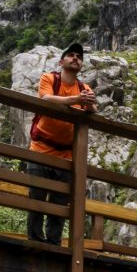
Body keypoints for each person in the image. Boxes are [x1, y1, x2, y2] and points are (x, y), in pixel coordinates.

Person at [24, 41, 96, 245]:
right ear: (62, 60)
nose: (75, 58)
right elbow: (46, 99)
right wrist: (77, 100)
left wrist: (89, 104)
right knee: (36, 196)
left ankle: (54, 243)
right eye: (71, 55)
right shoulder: (49, 78)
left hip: (66, 154)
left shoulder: (84, 88)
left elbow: (92, 110)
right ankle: (35, 240)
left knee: (60, 201)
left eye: (79, 57)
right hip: (40, 149)